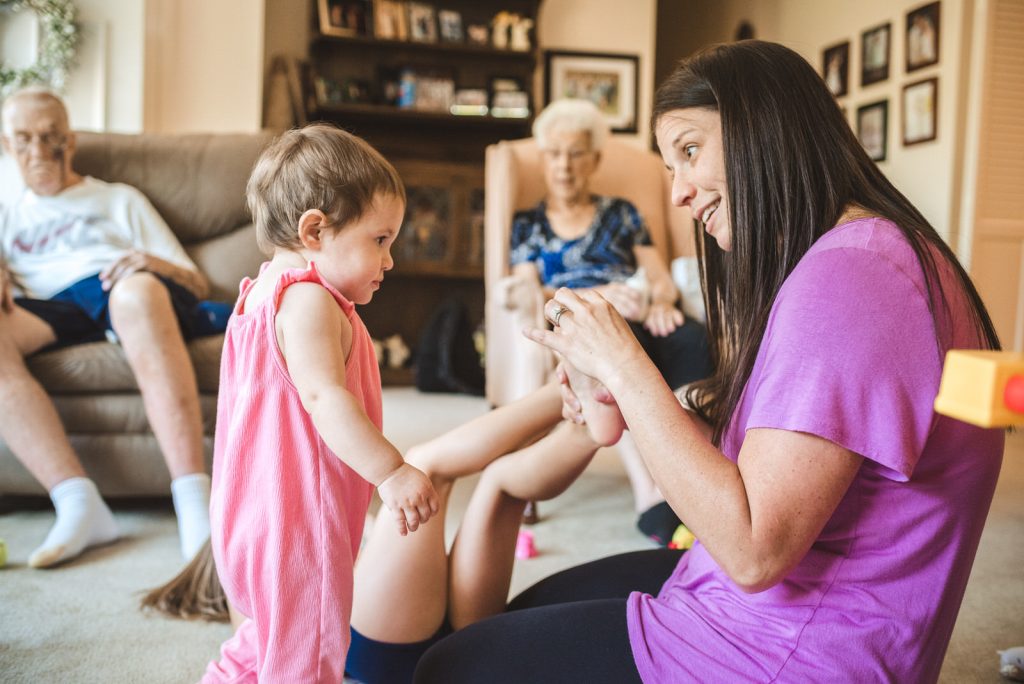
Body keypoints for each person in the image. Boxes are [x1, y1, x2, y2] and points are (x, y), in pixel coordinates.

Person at [412, 40, 1005, 683]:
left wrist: (625, 366)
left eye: (690, 152)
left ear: (763, 127)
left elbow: (754, 549)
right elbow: (762, 458)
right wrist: (630, 394)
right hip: (753, 600)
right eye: (670, 167)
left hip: (789, 648)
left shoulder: (851, 277)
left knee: (448, 670)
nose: (679, 195)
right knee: (509, 622)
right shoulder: (864, 252)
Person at [202, 124, 439, 683]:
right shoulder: (309, 301)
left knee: (270, 637)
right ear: (315, 230)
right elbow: (324, 398)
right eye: (380, 240)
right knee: (306, 655)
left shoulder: (262, 291)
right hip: (295, 524)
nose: (391, 259)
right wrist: (392, 470)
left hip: (254, 511)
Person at [0, 87, 224, 568]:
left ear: (70, 141)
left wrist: (152, 265)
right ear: (6, 145)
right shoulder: (7, 207)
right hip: (45, 304)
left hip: (119, 288)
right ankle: (78, 502)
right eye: (23, 139)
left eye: (50, 138)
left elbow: (196, 280)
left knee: (138, 293)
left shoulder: (118, 199)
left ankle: (193, 503)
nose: (38, 152)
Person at [510, 97, 712, 544]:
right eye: (555, 154)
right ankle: (651, 497)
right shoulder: (528, 225)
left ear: (594, 159)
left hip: (636, 308)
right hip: (576, 315)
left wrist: (662, 301)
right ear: (544, 159)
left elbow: (657, 274)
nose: (564, 165)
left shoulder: (622, 214)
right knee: (618, 351)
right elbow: (532, 290)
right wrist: (593, 299)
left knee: (694, 340)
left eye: (576, 153)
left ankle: (698, 474)